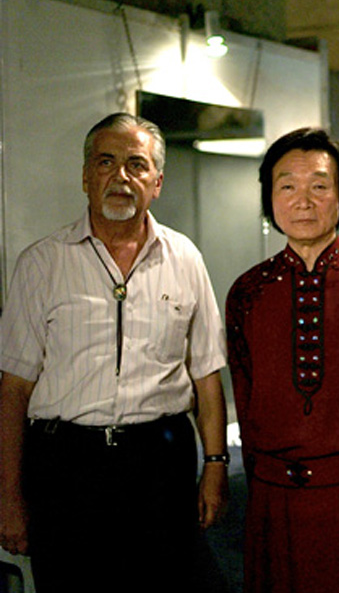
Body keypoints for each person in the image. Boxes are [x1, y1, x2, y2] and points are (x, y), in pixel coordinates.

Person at [0, 112, 229, 592]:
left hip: (160, 462)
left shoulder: (185, 258)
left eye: (136, 164)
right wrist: (8, 495)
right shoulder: (43, 262)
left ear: (157, 182)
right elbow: (14, 389)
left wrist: (215, 466)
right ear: (86, 177)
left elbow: (207, 375)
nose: (121, 176)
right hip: (64, 467)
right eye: (106, 162)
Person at [225, 127, 339, 593]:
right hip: (274, 502)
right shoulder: (247, 292)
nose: (303, 201)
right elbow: (245, 402)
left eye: (319, 185)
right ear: (270, 199)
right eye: (287, 186)